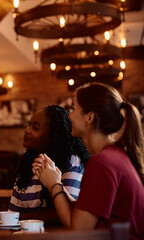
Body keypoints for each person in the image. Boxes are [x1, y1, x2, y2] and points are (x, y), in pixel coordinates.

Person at [34, 83, 144, 240]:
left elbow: (78, 230)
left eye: (73, 108)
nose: (69, 115)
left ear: (89, 117)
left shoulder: (102, 163)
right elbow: (83, 213)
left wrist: (54, 186)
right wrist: (57, 182)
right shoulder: (114, 155)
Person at [9, 105, 90, 223]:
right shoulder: (27, 165)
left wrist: (18, 219)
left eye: (35, 128)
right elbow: (14, 212)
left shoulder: (71, 162)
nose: (27, 130)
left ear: (54, 136)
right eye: (29, 124)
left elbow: (68, 213)